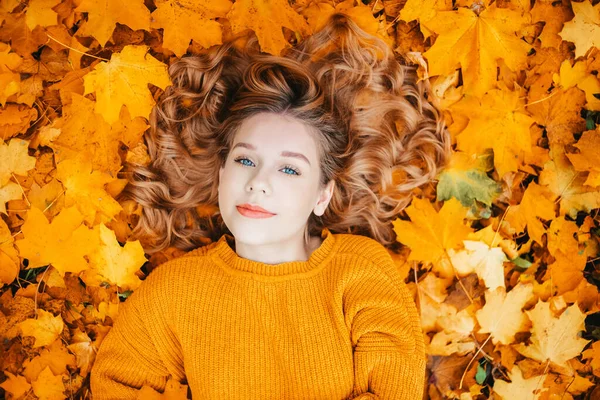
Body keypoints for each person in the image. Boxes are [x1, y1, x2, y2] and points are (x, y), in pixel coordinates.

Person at [90, 12, 452, 400]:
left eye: (289, 169)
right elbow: (118, 384)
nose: (258, 182)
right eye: (246, 160)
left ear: (322, 195)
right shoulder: (173, 291)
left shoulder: (358, 270)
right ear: (222, 173)